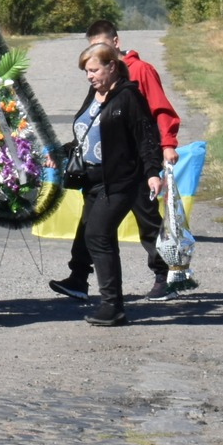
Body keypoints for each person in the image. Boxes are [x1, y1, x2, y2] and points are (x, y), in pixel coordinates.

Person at [52, 21, 180, 303]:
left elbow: (158, 111)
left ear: (115, 45)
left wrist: (167, 145)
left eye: (100, 48)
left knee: (147, 221)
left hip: (132, 168)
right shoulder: (98, 84)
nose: (91, 66)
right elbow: (88, 124)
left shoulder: (140, 72)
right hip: (101, 173)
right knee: (91, 225)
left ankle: (165, 275)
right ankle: (78, 278)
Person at [64, 43, 164, 328]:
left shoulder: (128, 97)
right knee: (94, 235)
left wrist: (152, 172)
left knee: (98, 235)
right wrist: (59, 152)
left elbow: (146, 137)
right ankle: (110, 304)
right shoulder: (94, 95)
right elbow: (85, 135)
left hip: (120, 181)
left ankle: (113, 306)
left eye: (94, 70)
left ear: (111, 66)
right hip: (92, 181)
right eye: (86, 71)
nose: (89, 76)